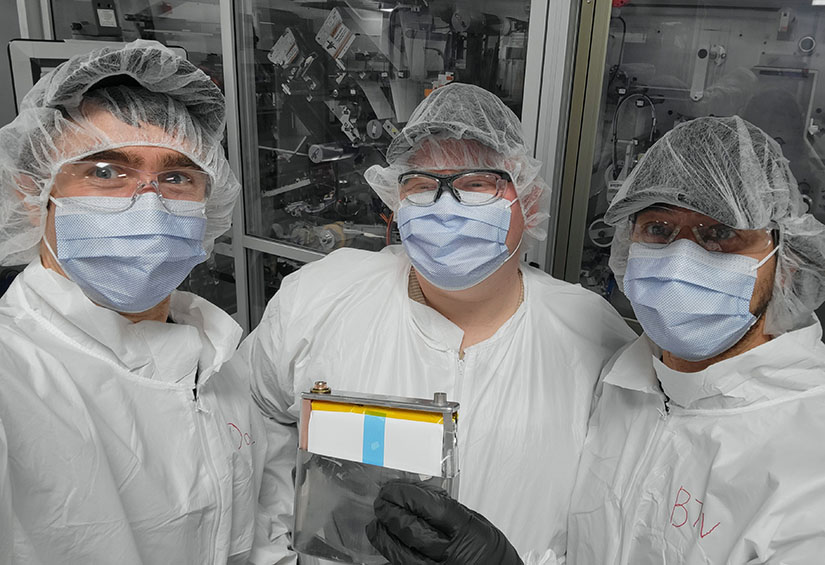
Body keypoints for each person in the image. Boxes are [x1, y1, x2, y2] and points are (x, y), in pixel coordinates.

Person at [234, 82, 636, 563]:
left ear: (526, 200)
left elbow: (617, 520)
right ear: (397, 200)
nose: (446, 206)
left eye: (476, 183)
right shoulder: (320, 299)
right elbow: (249, 425)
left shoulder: (592, 339)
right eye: (422, 186)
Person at [0, 40, 282, 564]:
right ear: (33, 191)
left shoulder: (221, 360)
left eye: (175, 177)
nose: (148, 205)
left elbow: (256, 528)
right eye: (105, 172)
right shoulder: (14, 373)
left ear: (210, 198)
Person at [563, 115, 825, 563]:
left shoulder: (808, 454)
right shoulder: (621, 381)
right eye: (659, 230)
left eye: (721, 233)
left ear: (788, 262)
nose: (682, 259)